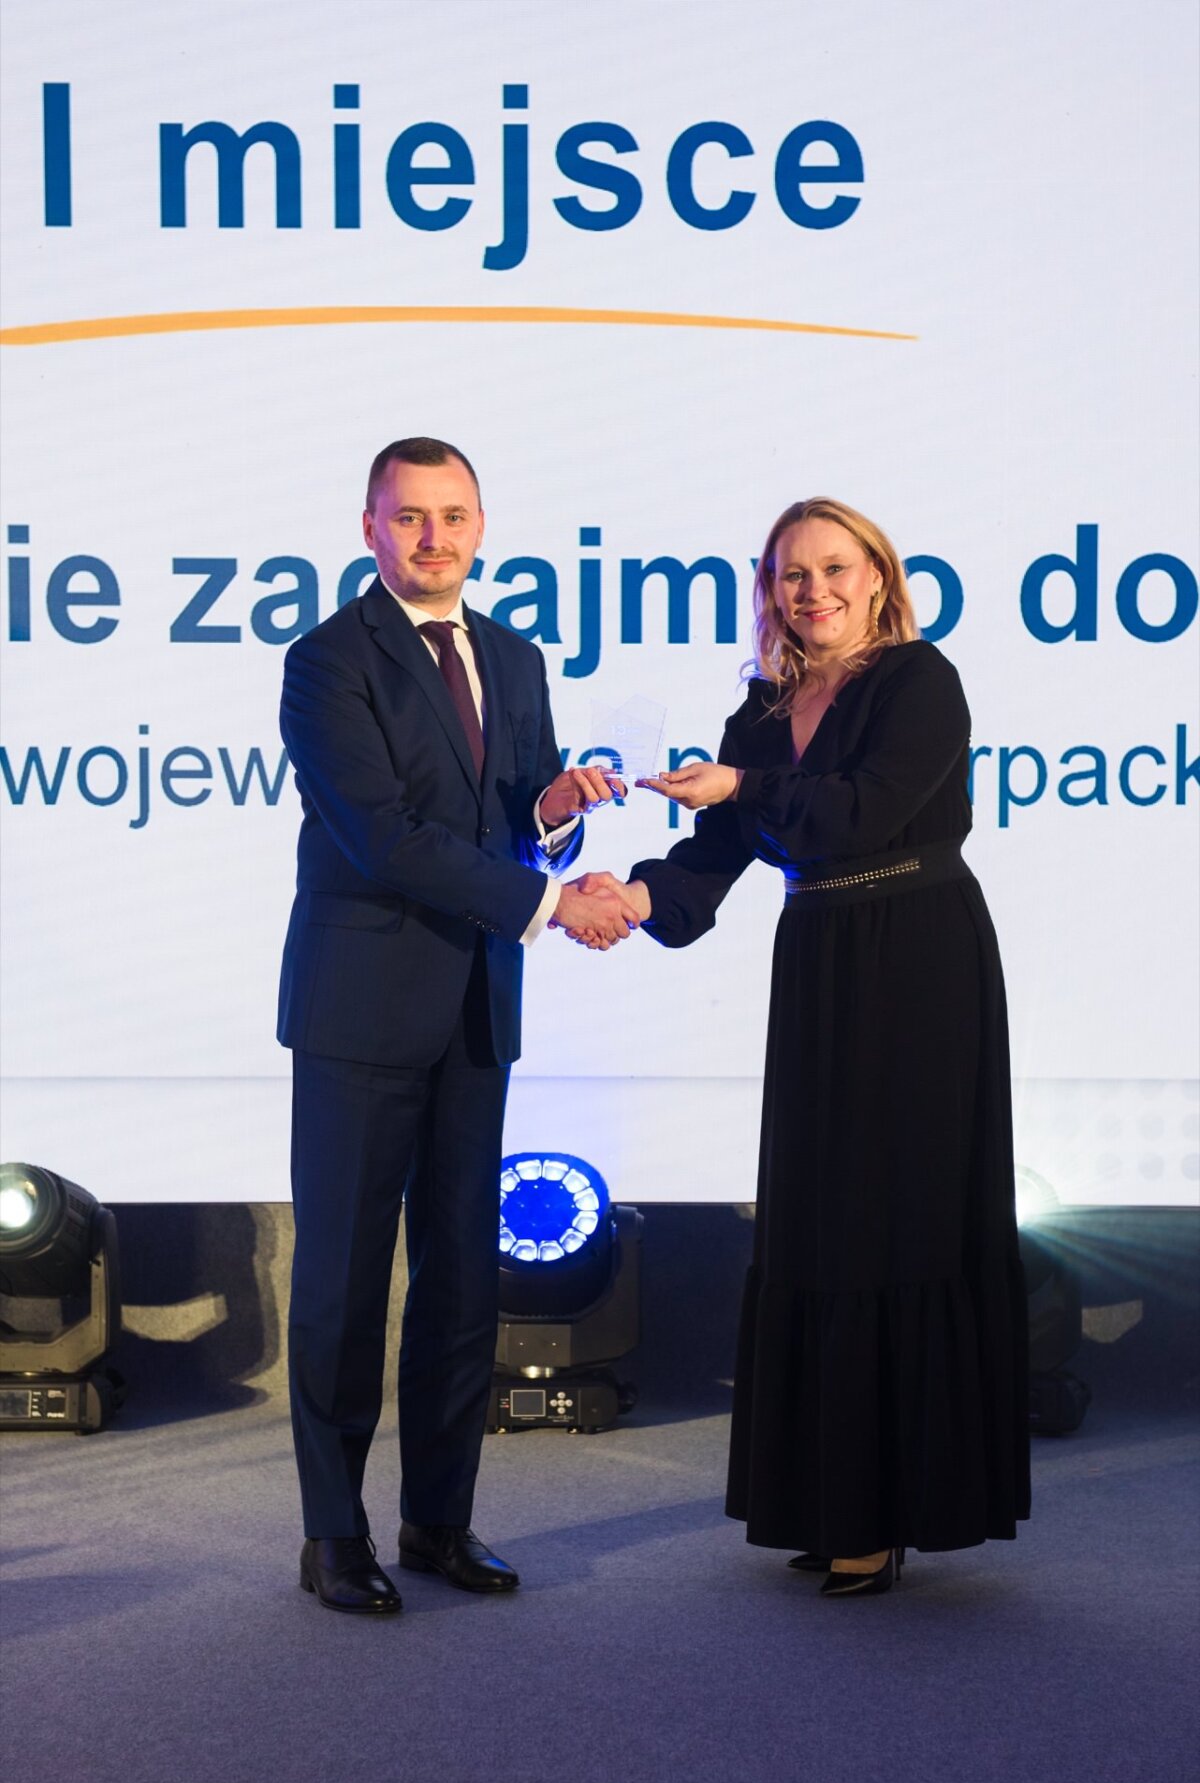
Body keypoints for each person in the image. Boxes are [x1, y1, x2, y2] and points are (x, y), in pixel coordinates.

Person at [579, 496, 1031, 1594]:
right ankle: (827, 1499)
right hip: (820, 958)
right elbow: (721, 847)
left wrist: (744, 785)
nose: (813, 591)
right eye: (792, 575)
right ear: (770, 590)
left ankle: (883, 1511)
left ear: (877, 577)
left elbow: (859, 814)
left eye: (835, 568)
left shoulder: (921, 682)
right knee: (821, 1220)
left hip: (920, 961)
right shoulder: (763, 703)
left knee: (896, 1219)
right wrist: (636, 894)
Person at [277, 436, 632, 1615]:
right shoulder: (327, 661)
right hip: (359, 1012)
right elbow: (385, 839)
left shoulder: (518, 659)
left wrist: (559, 813)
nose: (435, 537)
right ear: (369, 528)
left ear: (482, 525)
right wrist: (547, 902)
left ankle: (439, 1522)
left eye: (455, 515)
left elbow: (515, 817)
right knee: (337, 1282)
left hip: (478, 1004)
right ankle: (334, 1535)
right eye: (410, 517)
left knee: (459, 1284)